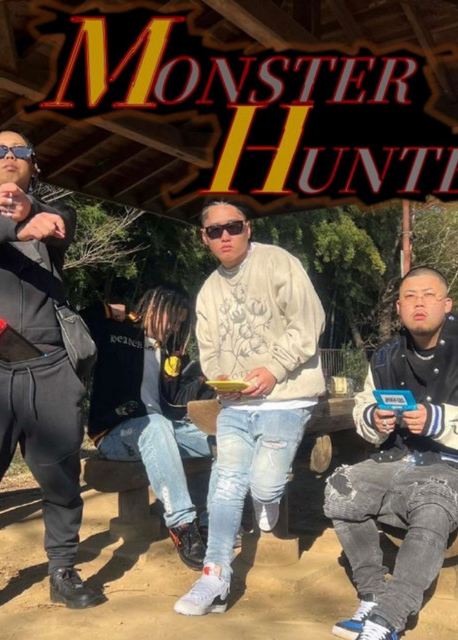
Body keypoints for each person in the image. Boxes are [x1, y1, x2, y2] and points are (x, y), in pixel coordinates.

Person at [0, 129, 103, 615]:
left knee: (60, 476)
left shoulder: (55, 214)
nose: (9, 156)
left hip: (49, 369)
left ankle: (63, 571)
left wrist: (31, 214)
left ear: (34, 164)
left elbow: (61, 226)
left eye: (20, 150)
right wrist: (15, 227)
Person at [324, 266, 458, 640]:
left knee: (432, 502)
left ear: (447, 304)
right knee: (341, 490)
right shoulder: (385, 356)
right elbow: (363, 405)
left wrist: (439, 419)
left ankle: (390, 618)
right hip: (399, 459)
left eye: (429, 295)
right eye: (410, 296)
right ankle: (373, 596)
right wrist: (374, 419)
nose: (419, 302)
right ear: (399, 307)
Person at [175, 200, 326, 615]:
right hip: (236, 404)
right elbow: (208, 350)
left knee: (264, 485)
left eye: (233, 226)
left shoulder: (278, 263)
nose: (225, 236)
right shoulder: (208, 290)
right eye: (214, 230)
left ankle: (267, 497)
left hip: (287, 397)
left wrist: (274, 369)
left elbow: (309, 322)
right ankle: (215, 576)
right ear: (204, 238)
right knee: (225, 483)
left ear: (248, 228)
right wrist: (220, 377)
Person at [80, 284, 215, 569]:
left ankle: (208, 520)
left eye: (180, 323)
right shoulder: (119, 330)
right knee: (155, 425)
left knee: (219, 437)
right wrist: (104, 310)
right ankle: (182, 525)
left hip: (163, 429)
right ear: (155, 306)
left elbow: (177, 399)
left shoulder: (171, 353)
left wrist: (205, 383)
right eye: (173, 319)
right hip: (116, 432)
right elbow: (78, 323)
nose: (175, 327)